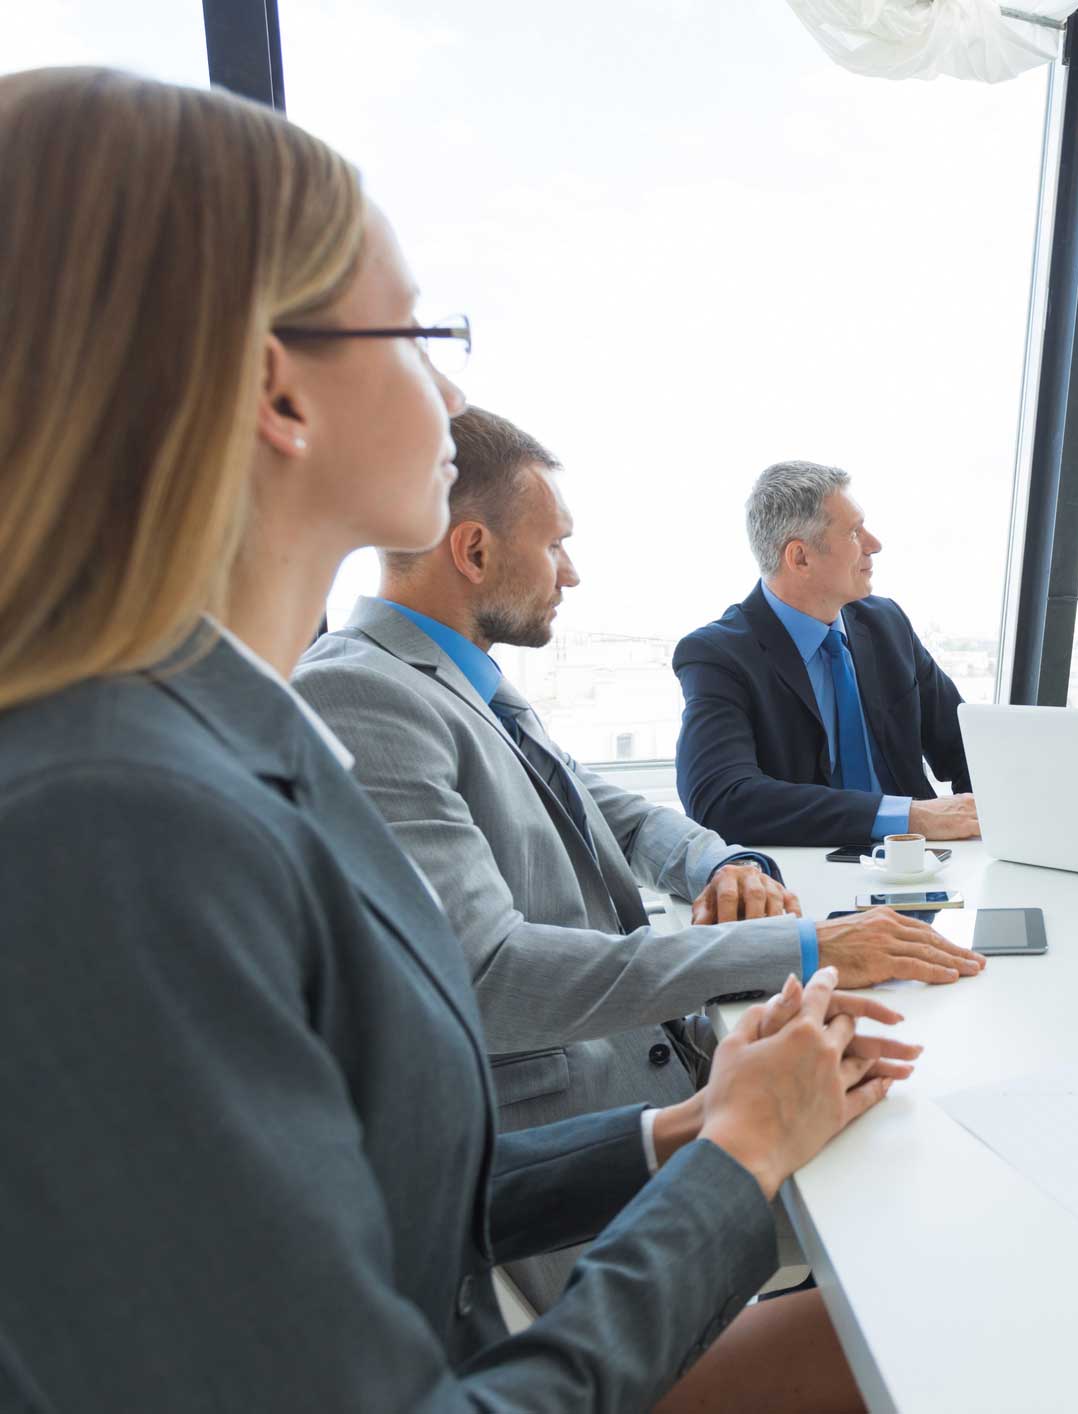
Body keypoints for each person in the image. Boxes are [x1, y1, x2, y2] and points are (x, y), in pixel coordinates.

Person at [0, 68, 909, 1411]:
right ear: (279, 393)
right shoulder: (117, 825)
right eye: (420, 333)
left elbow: (381, 1182)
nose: (449, 384)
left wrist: (687, 1129)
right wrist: (733, 1163)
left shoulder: (227, 738)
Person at [296, 406, 985, 1307]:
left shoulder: (463, 683)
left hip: (670, 1082)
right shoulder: (362, 692)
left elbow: (614, 814)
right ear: (473, 550)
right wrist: (804, 945)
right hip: (587, 1169)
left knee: (928, 1150)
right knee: (930, 1246)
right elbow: (490, 975)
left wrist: (720, 866)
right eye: (555, 546)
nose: (570, 573)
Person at [673, 460, 980, 846]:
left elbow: (968, 748)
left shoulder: (886, 624)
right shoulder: (719, 654)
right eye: (854, 532)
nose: (874, 544)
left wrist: (997, 819)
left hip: (919, 863)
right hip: (810, 869)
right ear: (800, 557)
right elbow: (720, 799)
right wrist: (909, 816)